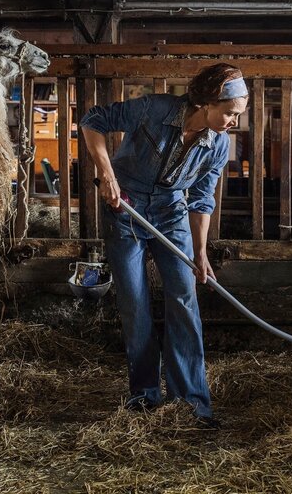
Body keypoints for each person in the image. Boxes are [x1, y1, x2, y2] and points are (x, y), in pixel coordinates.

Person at [79, 63, 248, 427]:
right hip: (126, 207)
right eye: (231, 113)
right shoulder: (155, 109)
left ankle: (191, 401)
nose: (234, 122)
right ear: (207, 101)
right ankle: (144, 396)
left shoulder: (218, 145)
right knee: (135, 303)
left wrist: (200, 252)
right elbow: (93, 120)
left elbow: (202, 199)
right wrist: (107, 174)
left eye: (238, 115)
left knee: (184, 298)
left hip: (172, 212)